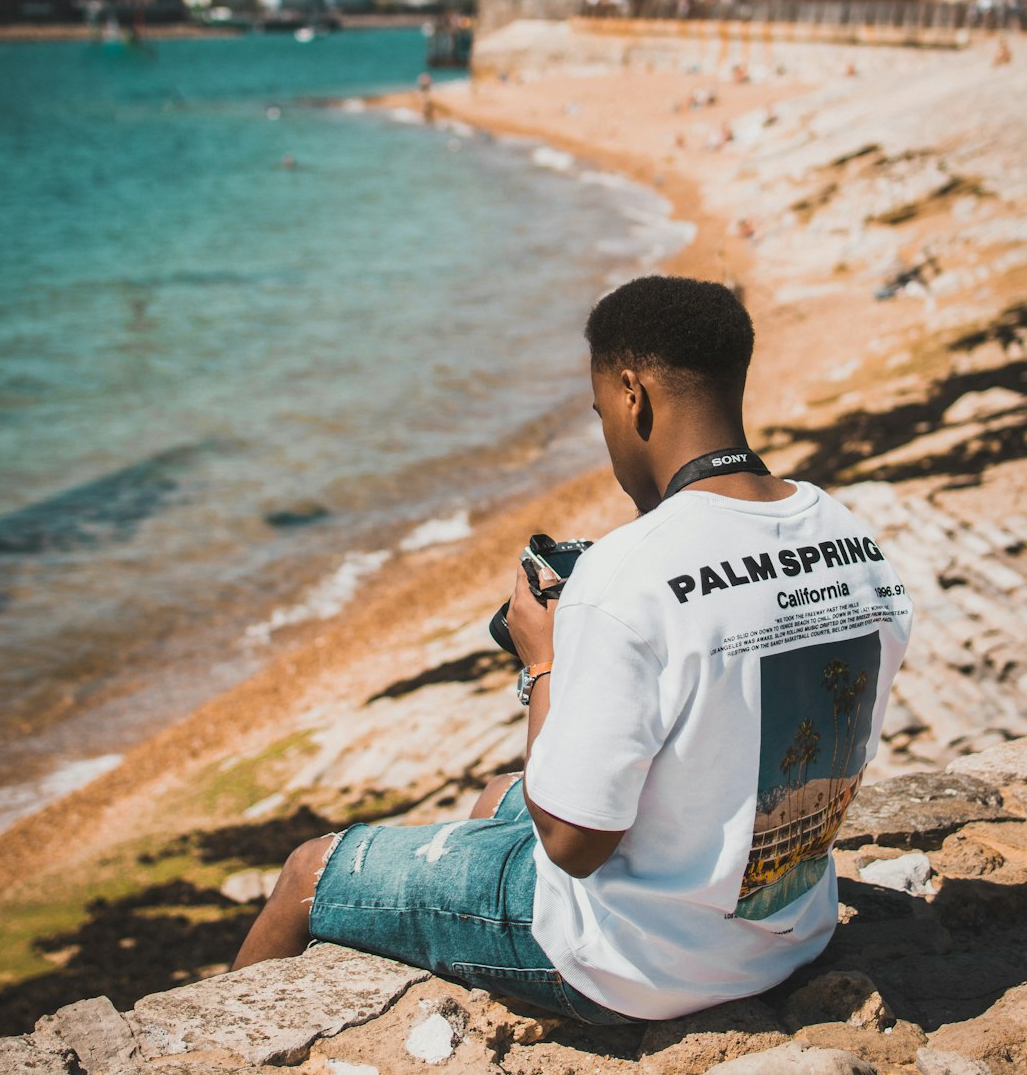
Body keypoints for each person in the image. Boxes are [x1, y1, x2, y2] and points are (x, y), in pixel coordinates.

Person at [232, 275, 912, 1024]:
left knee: (308, 869)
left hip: (634, 965)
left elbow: (570, 841)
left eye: (600, 413)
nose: (608, 437)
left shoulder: (630, 568)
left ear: (632, 395)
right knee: (497, 797)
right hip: (787, 930)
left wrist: (544, 663)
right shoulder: (853, 539)